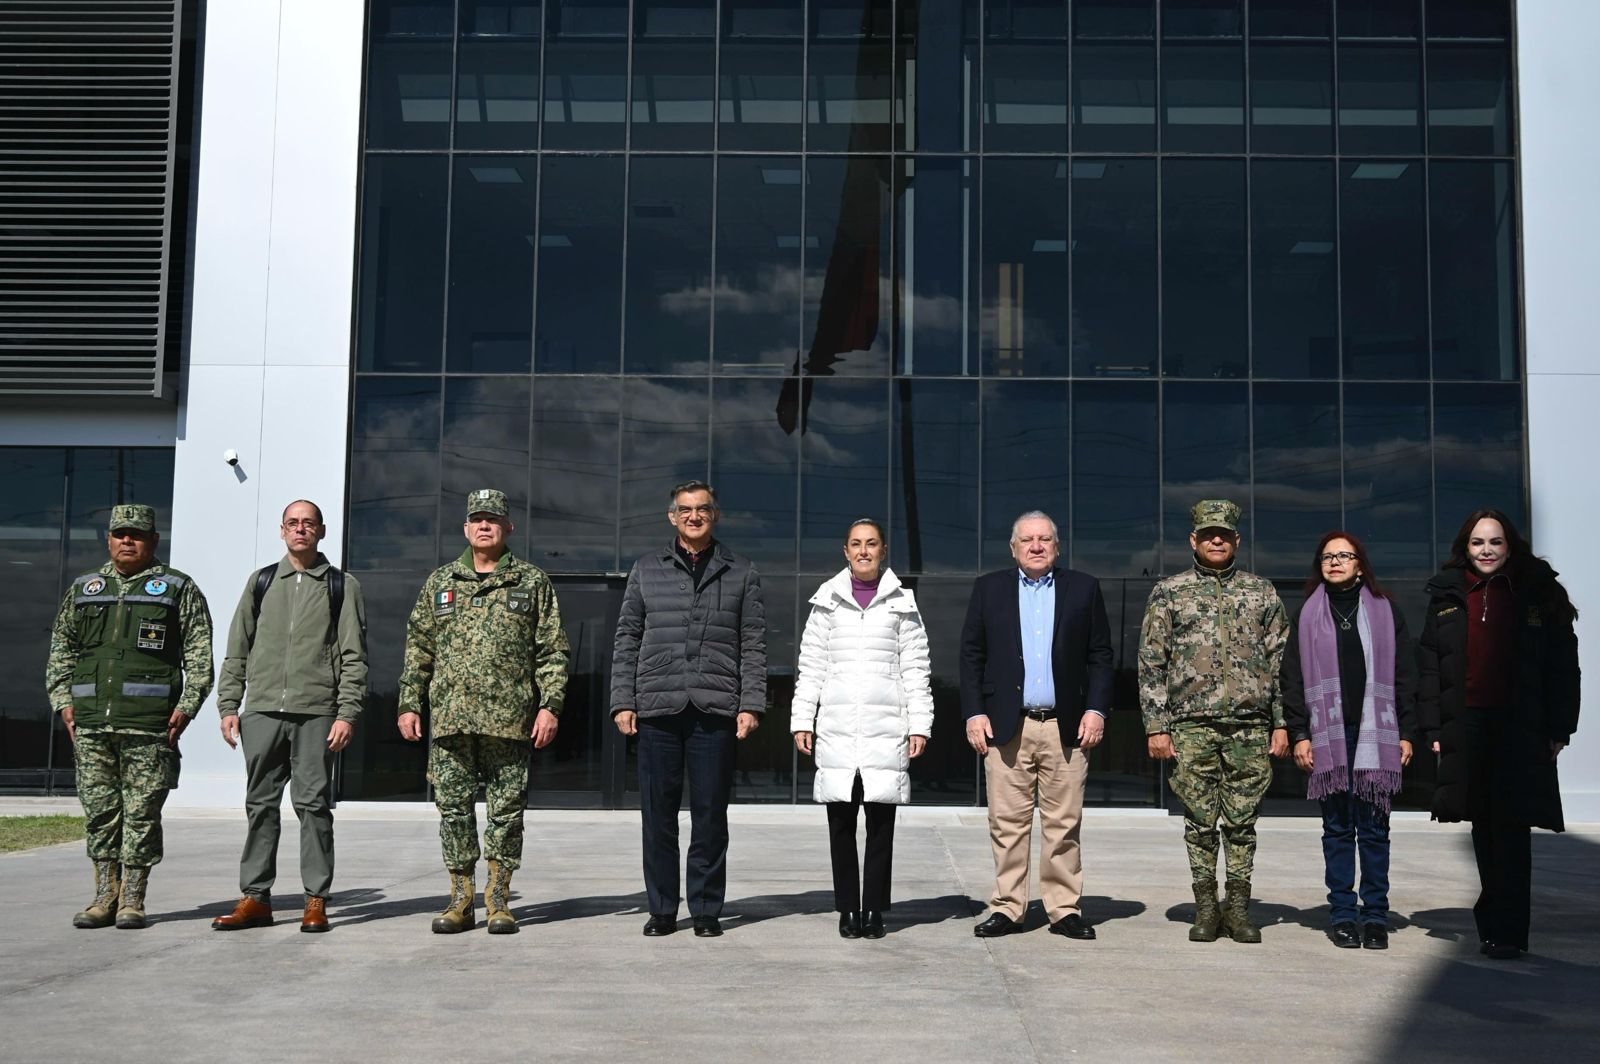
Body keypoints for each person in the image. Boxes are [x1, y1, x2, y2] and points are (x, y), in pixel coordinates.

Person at [397, 489, 570, 935]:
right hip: (451, 721)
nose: (484, 525)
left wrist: (550, 706)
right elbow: (418, 649)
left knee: (506, 814)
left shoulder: (531, 582)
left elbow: (552, 651)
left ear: (508, 527)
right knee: (453, 812)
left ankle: (498, 902)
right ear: (466, 528)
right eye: (477, 519)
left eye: (493, 519)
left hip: (509, 723)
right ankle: (460, 901)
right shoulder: (440, 582)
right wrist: (409, 703)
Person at [1418, 508, 1580, 960]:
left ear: (1510, 547)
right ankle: (1492, 924)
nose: (1486, 550)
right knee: (1482, 825)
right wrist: (1432, 726)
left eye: (1495, 542)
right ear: (1465, 548)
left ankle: (1508, 932)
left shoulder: (1537, 592)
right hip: (1467, 723)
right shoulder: (1447, 594)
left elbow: (1563, 666)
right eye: (1477, 543)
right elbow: (1429, 665)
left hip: (1519, 725)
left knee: (1511, 828)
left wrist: (1560, 728)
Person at [45, 503, 214, 930]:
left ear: (153, 540)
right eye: (120, 533)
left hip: (150, 725)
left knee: (141, 815)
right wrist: (63, 700)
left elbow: (199, 657)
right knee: (100, 813)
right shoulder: (86, 588)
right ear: (108, 539)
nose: (127, 540)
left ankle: (132, 899)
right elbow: (62, 650)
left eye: (136, 535)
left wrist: (186, 707)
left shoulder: (177, 588)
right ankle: (104, 897)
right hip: (91, 725)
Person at [611, 480, 766, 938]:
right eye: (685, 509)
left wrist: (751, 703)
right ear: (672, 517)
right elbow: (627, 638)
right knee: (658, 817)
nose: (693, 516)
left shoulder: (741, 571)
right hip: (657, 708)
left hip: (715, 710)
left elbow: (753, 645)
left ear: (714, 515)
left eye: (702, 509)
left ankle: (705, 910)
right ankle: (662, 909)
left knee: (710, 816)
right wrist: (622, 700)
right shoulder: (646, 569)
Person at [211, 500, 369, 934]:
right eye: (293, 523)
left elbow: (354, 656)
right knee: (260, 805)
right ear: (282, 530)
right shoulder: (261, 581)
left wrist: (346, 713)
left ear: (321, 531)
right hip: (262, 711)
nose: (301, 529)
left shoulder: (341, 585)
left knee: (313, 806)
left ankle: (315, 899)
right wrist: (229, 705)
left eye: (308, 523)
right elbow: (237, 649)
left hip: (316, 712)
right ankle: (255, 898)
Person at [1138, 499, 1289, 944]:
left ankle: (1238, 910)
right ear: (1194, 540)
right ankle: (1206, 908)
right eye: (1208, 534)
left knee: (1242, 822)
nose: (1216, 540)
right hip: (1191, 726)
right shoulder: (1170, 592)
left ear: (1236, 540)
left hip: (1250, 725)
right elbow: (1151, 663)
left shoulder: (1262, 592)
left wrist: (1281, 723)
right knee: (1199, 821)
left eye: (1223, 534)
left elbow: (1281, 663)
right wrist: (1156, 726)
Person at [959, 511, 1113, 940]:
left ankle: (1063, 910)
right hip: (1007, 727)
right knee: (1007, 824)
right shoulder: (988, 589)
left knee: (1064, 825)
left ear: (1057, 547)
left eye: (1044, 539)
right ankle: (1008, 909)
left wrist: (1096, 710)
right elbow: (971, 655)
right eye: (1027, 539)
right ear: (1013, 548)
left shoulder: (1084, 588)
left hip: (1066, 727)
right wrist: (974, 713)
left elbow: (1101, 655)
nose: (1036, 546)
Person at [791, 519, 933, 940]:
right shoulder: (826, 602)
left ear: (883, 550)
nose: (864, 551)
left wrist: (920, 725)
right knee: (840, 824)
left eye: (872, 544)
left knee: (880, 826)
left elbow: (916, 670)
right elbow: (810, 667)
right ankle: (847, 908)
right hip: (837, 730)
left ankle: (873, 909)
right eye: (856, 544)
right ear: (846, 551)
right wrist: (802, 719)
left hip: (885, 730)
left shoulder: (902, 603)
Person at [1281, 531, 1417, 950]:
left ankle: (1375, 917)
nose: (1335, 561)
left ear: (1360, 564)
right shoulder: (1307, 614)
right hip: (1330, 737)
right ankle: (1342, 915)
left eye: (1344, 555)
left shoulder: (1385, 611)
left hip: (1377, 735)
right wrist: (1300, 733)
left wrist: (1407, 732)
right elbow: (1292, 679)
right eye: (1328, 556)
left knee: (1374, 831)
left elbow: (1406, 676)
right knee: (1337, 829)